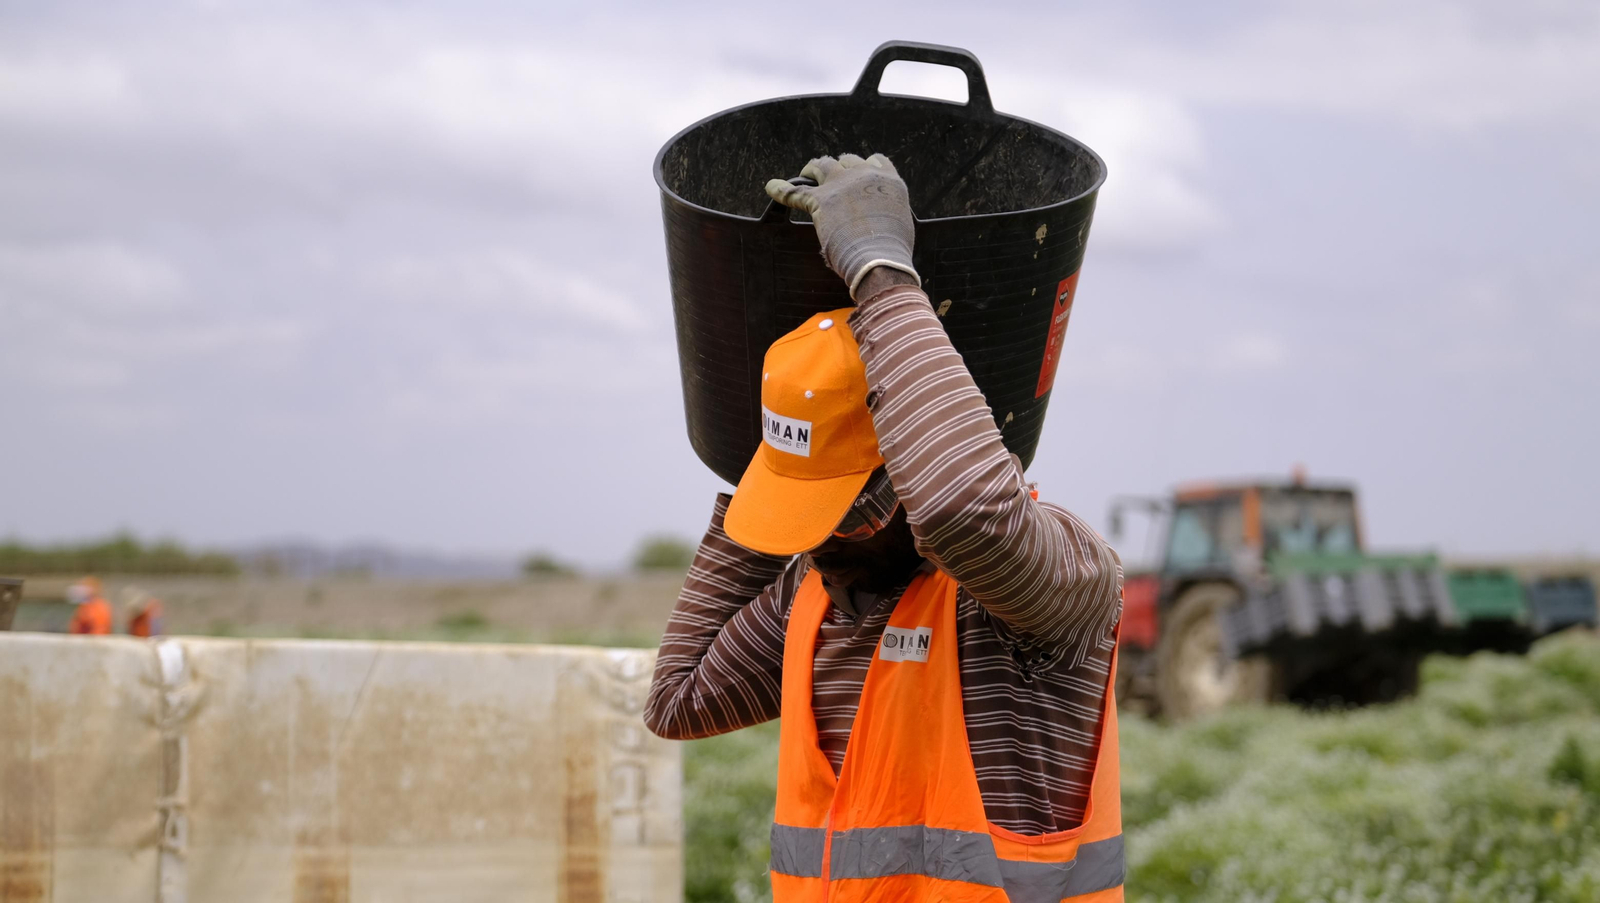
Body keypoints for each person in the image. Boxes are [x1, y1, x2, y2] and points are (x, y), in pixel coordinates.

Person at [646, 154, 1126, 901]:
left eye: (839, 515)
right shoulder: (814, 597)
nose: (818, 544)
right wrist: (772, 463)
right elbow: (676, 699)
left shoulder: (1056, 586)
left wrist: (879, 270)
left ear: (908, 473)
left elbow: (964, 510)